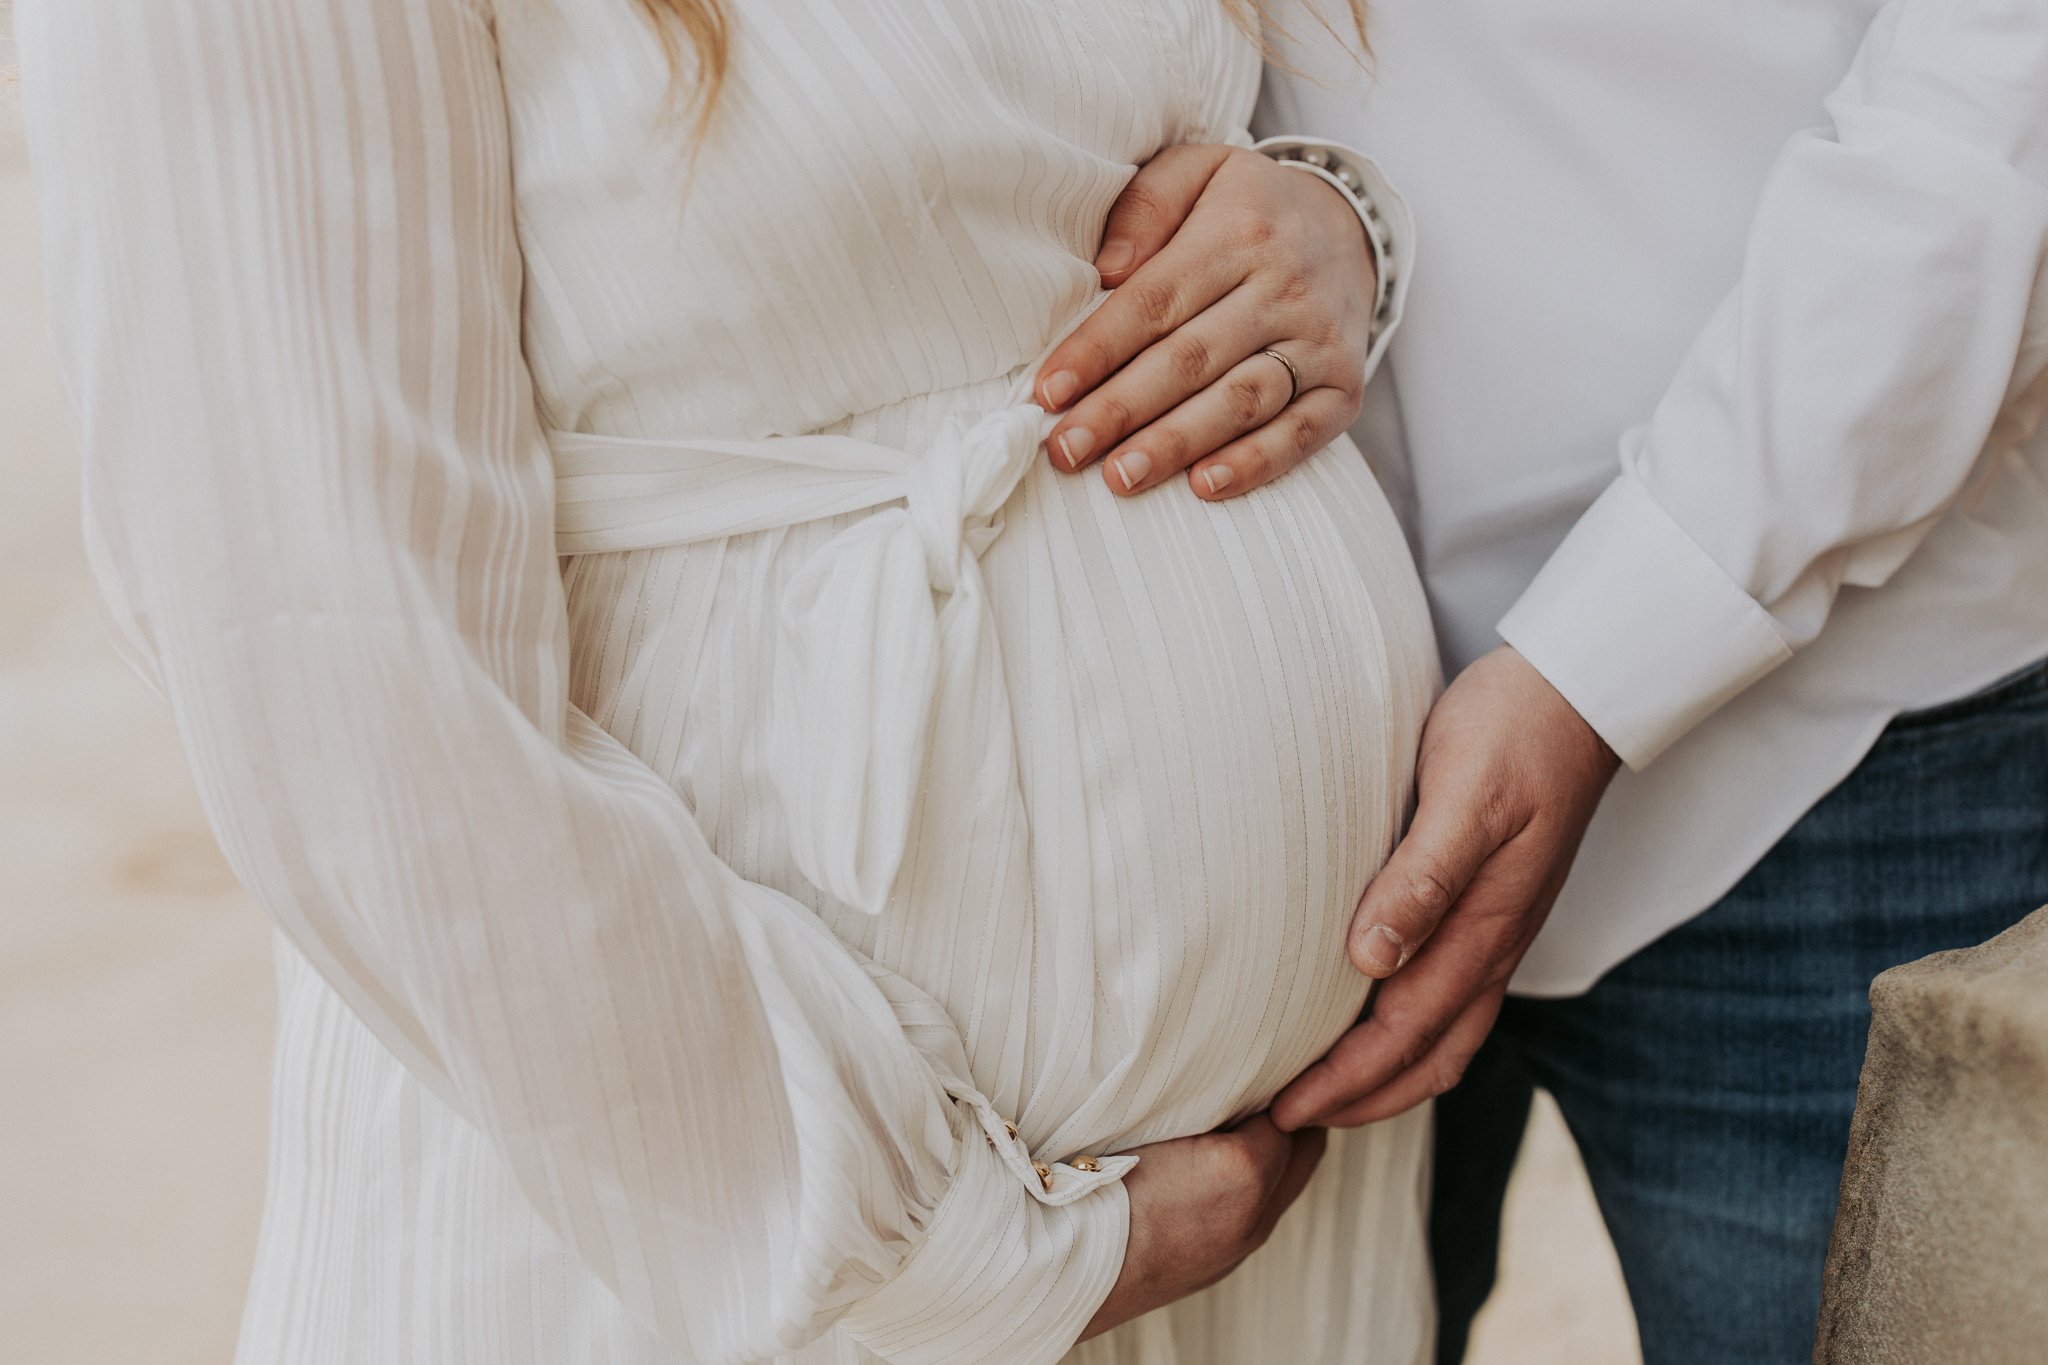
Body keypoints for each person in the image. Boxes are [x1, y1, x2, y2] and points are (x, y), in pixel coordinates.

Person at [19, 1, 1444, 1362]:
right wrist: (943, 1249)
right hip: (741, 1232)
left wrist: (1333, 224)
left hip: (1263, 1214)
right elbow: (333, 657)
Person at [1061, 1, 2048, 1359]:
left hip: (1840, 755)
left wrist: (1608, 653)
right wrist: (1338, 202)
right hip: (1282, 802)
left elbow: (1993, 95)